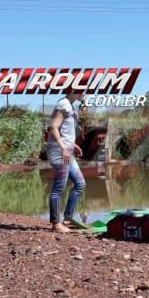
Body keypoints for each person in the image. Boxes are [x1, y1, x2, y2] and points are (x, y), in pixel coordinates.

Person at [45, 90, 86, 233]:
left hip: (67, 150)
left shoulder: (69, 105)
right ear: (75, 91)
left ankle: (67, 219)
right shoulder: (64, 105)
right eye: (83, 90)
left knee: (80, 184)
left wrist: (72, 145)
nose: (85, 93)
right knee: (58, 189)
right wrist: (63, 147)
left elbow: (64, 130)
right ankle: (56, 224)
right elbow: (53, 128)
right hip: (59, 151)